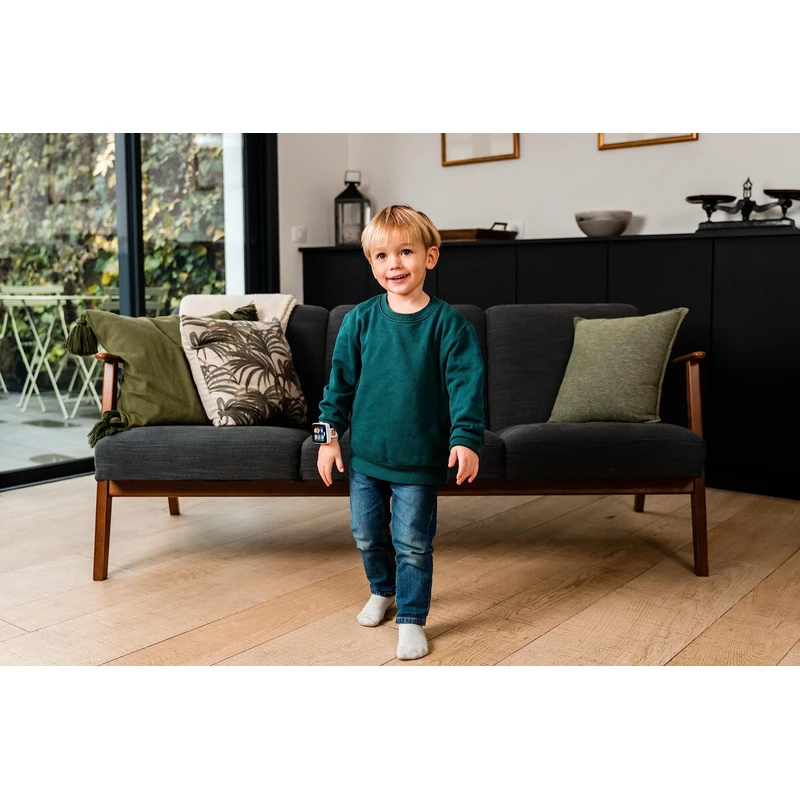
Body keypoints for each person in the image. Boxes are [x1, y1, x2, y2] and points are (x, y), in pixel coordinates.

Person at [316, 204, 485, 660]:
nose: (394, 264)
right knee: (366, 533)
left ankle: (411, 617)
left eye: (406, 252)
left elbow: (466, 390)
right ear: (371, 264)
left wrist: (466, 439)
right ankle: (382, 589)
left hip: (419, 461)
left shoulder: (450, 326)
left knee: (412, 543)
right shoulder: (359, 320)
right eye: (382, 256)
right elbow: (337, 386)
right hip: (366, 457)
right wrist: (327, 439)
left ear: (430, 257)